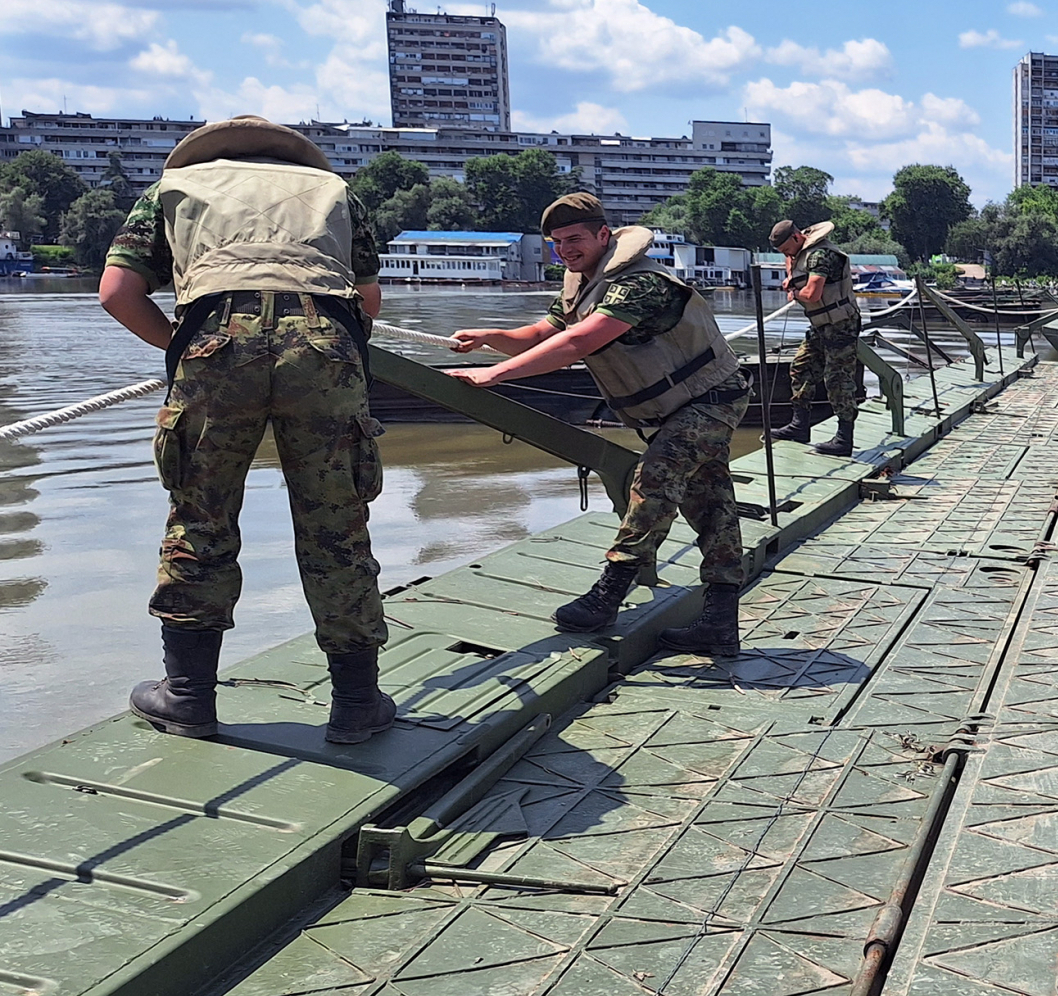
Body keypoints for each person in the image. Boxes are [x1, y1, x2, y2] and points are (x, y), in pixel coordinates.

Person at [97, 115, 395, 743]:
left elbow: (117, 292)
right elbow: (367, 304)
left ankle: (187, 697)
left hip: (214, 339)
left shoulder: (174, 188)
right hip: (323, 342)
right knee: (336, 526)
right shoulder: (335, 192)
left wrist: (182, 350)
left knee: (199, 517)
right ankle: (356, 705)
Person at [446, 193, 751, 655]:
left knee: (656, 480)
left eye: (574, 239)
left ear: (604, 236)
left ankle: (610, 591)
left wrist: (495, 375)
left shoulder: (639, 284)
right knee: (710, 502)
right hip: (674, 407)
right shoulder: (582, 285)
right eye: (556, 243)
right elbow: (539, 336)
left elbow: (578, 343)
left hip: (711, 397)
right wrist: (488, 340)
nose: (565, 250)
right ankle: (720, 623)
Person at [765, 219, 862, 456]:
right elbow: (794, 270)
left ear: (798, 238)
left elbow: (812, 292)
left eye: (787, 250)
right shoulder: (800, 254)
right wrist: (790, 273)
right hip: (820, 326)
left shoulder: (820, 256)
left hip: (842, 326)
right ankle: (799, 426)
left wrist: (795, 292)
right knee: (801, 367)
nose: (787, 256)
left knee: (837, 380)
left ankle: (844, 439)